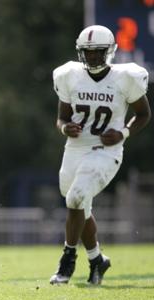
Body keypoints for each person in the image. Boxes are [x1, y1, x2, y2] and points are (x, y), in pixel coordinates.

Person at [50, 25, 151, 285]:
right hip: (75, 148)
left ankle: (67, 262)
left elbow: (143, 114)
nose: (93, 57)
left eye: (98, 52)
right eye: (88, 52)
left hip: (107, 150)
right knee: (77, 204)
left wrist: (124, 133)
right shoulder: (69, 75)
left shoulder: (125, 77)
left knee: (76, 197)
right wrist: (65, 128)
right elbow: (61, 118)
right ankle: (97, 260)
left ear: (110, 51)